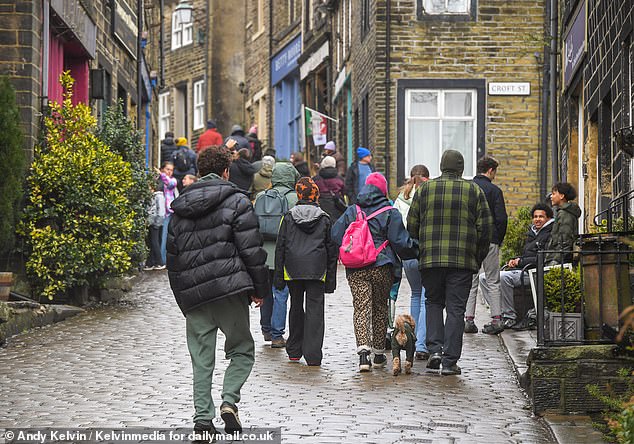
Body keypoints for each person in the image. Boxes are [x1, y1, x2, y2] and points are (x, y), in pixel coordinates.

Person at [166, 144, 271, 437]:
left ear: (199, 171)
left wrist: (183, 298)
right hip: (230, 291)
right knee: (242, 350)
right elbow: (252, 249)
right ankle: (229, 400)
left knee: (201, 360)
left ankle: (202, 418)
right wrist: (259, 288)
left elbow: (172, 259)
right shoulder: (237, 202)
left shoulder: (179, 207)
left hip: (196, 297)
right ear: (226, 171)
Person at [407, 150, 492, 376]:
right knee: (456, 310)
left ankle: (434, 351)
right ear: (461, 168)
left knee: (433, 303)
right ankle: (449, 360)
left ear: (442, 166)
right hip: (462, 261)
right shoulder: (474, 190)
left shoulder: (424, 190)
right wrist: (477, 256)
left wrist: (423, 247)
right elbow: (486, 229)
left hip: (431, 260)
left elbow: (411, 226)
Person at [332, 172, 418, 372]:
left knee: (361, 308)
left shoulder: (353, 210)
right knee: (380, 307)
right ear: (383, 189)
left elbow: (335, 234)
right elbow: (400, 243)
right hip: (382, 266)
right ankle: (379, 355)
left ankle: (363, 356)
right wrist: (417, 250)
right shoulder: (390, 211)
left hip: (356, 268)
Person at [274, 177, 338, 366]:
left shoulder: (288, 216)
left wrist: (278, 277)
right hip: (317, 269)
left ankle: (294, 350)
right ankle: (313, 355)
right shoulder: (325, 218)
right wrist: (331, 280)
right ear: (315, 195)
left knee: (295, 307)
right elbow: (331, 251)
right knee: (315, 311)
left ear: (298, 194)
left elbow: (280, 247)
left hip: (293, 269)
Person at [256, 163, 300, 347]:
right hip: (283, 254)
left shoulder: (260, 197)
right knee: (281, 294)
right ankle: (277, 335)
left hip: (263, 254)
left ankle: (266, 328)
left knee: (265, 293)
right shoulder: (294, 198)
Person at [465, 156, 509, 335]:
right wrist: (498, 238)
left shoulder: (468, 188)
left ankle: (468, 320)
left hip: (470, 240)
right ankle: (496, 319)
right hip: (490, 239)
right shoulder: (494, 190)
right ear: (491, 170)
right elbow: (501, 218)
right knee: (492, 280)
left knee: (471, 281)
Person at [393, 164, 429, 361]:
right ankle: (422, 343)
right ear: (427, 177)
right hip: (425, 252)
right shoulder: (429, 195)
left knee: (416, 294)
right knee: (426, 297)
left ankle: (413, 340)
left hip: (407, 254)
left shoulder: (400, 199)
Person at [497, 203, 554, 325]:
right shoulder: (532, 233)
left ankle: (509, 317)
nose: (537, 219)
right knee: (484, 278)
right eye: (535, 216)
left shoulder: (549, 234)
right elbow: (527, 255)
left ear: (548, 218)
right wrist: (516, 260)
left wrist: (521, 262)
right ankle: (498, 314)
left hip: (535, 273)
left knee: (502, 277)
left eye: (541, 217)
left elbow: (543, 257)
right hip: (524, 270)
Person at [546, 182, 582, 265]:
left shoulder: (564, 213)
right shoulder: (564, 212)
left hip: (560, 259)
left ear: (562, 196)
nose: (551, 196)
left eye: (554, 194)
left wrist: (556, 260)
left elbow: (565, 239)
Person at [312, 155, 346, 221]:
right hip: (336, 207)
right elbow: (344, 192)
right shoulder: (340, 179)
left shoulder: (316, 179)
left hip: (320, 207)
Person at [157, 161, 178, 266]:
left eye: (171, 170)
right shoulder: (158, 181)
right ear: (162, 169)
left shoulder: (172, 181)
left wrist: (162, 174)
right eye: (167, 169)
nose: (169, 172)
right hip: (159, 213)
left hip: (168, 214)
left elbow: (169, 183)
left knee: (164, 237)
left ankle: (163, 260)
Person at [144, 182, 165, 271]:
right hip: (151, 222)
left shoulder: (158, 196)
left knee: (154, 242)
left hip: (155, 222)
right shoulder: (151, 196)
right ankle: (150, 262)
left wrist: (157, 223)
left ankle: (159, 262)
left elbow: (161, 211)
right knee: (151, 242)